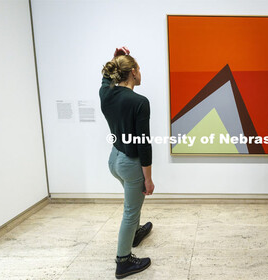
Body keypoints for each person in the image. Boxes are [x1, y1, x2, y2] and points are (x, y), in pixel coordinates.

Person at [100, 46, 155, 279]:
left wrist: (115, 58)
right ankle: (123, 261)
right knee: (131, 211)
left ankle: (135, 234)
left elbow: (105, 77)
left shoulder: (107, 92)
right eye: (139, 69)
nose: (141, 73)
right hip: (131, 163)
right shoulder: (139, 101)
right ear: (133, 72)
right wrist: (148, 178)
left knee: (133, 203)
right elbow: (143, 143)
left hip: (114, 159)